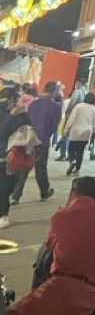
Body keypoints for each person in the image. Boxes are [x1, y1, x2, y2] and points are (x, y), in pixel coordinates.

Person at [7, 175, 95, 314]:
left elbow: (50, 244)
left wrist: (66, 210)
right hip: (92, 295)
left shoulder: (60, 216)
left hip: (60, 287)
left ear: (73, 193)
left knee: (14, 311)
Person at [13, 81, 60, 204]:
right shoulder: (55, 107)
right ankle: (44, 192)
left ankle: (15, 196)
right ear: (54, 91)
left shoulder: (34, 104)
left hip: (30, 140)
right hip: (43, 141)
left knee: (24, 167)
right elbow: (54, 127)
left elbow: (27, 120)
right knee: (41, 168)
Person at [0, 87, 30, 229]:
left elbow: (28, 128)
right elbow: (1, 132)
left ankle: (3, 215)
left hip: (12, 158)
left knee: (6, 188)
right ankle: (3, 214)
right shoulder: (7, 115)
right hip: (3, 157)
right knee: (4, 188)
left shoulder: (20, 115)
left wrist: (21, 114)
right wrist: (12, 115)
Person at [64, 93, 95, 176]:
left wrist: (66, 129)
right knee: (80, 151)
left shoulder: (78, 106)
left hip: (76, 131)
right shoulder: (94, 109)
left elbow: (71, 118)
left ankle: (73, 161)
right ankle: (77, 169)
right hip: (86, 132)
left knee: (71, 149)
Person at [56, 87, 85, 161]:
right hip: (76, 122)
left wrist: (65, 114)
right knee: (70, 138)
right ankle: (69, 154)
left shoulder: (66, 101)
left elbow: (63, 110)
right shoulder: (79, 105)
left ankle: (63, 154)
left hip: (66, 118)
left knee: (65, 136)